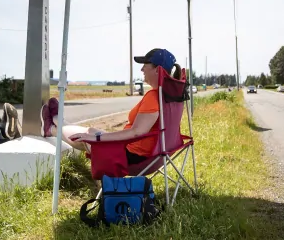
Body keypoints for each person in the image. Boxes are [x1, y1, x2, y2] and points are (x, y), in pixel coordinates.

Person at [40, 48, 180, 165]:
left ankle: (53, 127)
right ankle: (56, 122)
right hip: (150, 153)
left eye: (146, 64)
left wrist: (99, 139)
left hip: (131, 156)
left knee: (88, 138)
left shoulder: (153, 97)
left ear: (158, 70)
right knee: (92, 130)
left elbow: (136, 132)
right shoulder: (170, 97)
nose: (142, 68)